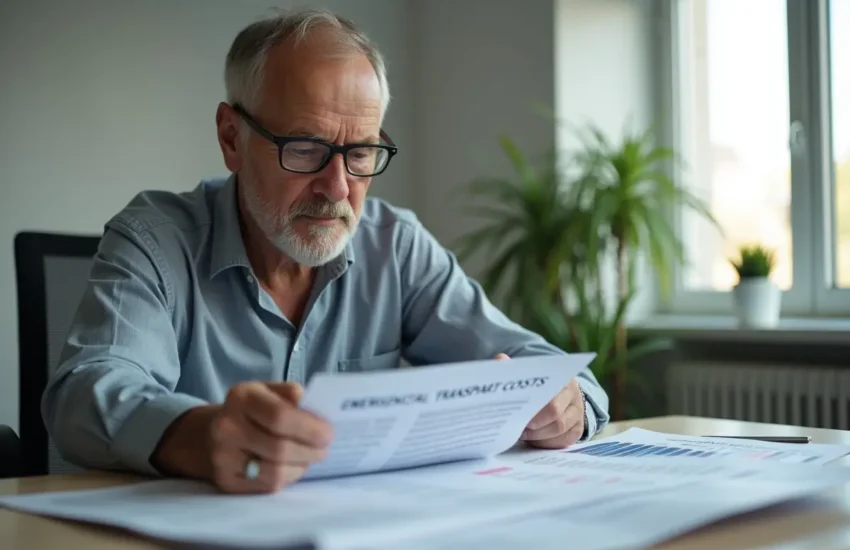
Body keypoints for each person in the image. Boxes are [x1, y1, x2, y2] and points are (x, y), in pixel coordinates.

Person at [42, 8, 610, 494]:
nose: (338, 188)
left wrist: (568, 404)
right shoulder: (155, 239)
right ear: (231, 138)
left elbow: (536, 363)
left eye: (361, 152)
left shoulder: (395, 245)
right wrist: (198, 432)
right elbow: (84, 393)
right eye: (307, 148)